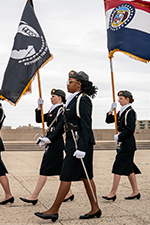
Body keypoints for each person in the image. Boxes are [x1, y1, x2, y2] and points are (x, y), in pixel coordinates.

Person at [34, 70, 101, 222]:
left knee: (65, 176)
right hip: (72, 141)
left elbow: (86, 124)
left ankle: (53, 210)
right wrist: (49, 139)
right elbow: (63, 125)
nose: (67, 84)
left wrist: (83, 148)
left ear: (79, 84)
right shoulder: (71, 100)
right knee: (86, 177)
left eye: (70, 82)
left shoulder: (83, 100)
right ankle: (95, 208)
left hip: (79, 143)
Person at [19, 89, 74, 205]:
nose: (51, 98)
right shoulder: (52, 110)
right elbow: (40, 119)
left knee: (44, 169)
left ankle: (34, 196)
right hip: (52, 142)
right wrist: (39, 108)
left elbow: (61, 127)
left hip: (55, 143)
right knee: (59, 170)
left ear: (60, 98)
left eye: (53, 96)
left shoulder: (62, 110)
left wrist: (50, 139)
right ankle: (69, 193)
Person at [102, 90, 141, 202]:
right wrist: (110, 110)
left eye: (121, 99)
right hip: (122, 144)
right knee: (129, 169)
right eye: (119, 99)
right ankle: (135, 192)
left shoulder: (130, 112)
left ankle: (112, 193)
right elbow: (109, 121)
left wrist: (120, 136)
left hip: (127, 144)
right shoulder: (120, 112)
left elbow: (130, 129)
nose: (119, 101)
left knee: (117, 167)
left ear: (128, 99)